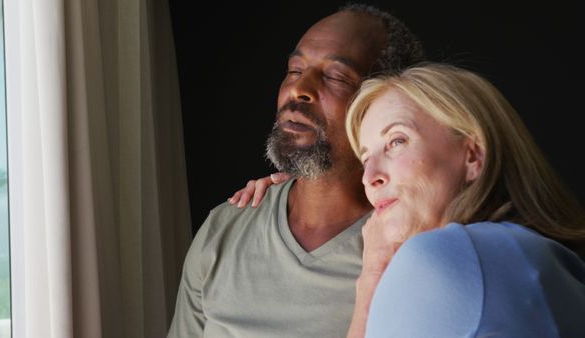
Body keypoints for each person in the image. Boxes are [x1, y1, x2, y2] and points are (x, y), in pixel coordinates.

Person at [238, 63, 585, 337]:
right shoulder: (538, 257)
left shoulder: (445, 256)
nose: (369, 176)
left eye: (396, 141)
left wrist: (371, 276)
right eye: (366, 156)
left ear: (474, 156)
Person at [167, 4, 425, 338]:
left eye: (335, 76)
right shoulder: (225, 228)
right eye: (294, 69)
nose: (298, 89)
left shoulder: (415, 247)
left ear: (389, 103)